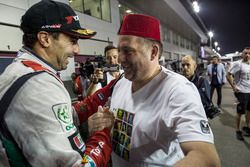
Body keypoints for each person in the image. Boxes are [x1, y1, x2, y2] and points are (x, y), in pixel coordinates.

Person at [0, 0, 114, 166]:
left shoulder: (23, 69)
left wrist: (106, 91)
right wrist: (103, 135)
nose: (77, 50)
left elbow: (66, 116)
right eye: (73, 41)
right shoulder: (38, 87)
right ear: (45, 39)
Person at [110, 14, 220, 167]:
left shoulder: (178, 90)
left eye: (128, 51)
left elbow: (206, 158)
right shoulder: (121, 83)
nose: (120, 58)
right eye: (119, 50)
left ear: (153, 52)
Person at [227, 47, 250, 141]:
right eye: (246, 53)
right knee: (240, 112)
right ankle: (238, 130)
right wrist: (234, 87)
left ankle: (247, 127)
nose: (248, 55)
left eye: (249, 53)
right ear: (242, 54)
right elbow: (228, 75)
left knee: (249, 111)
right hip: (242, 92)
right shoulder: (238, 64)